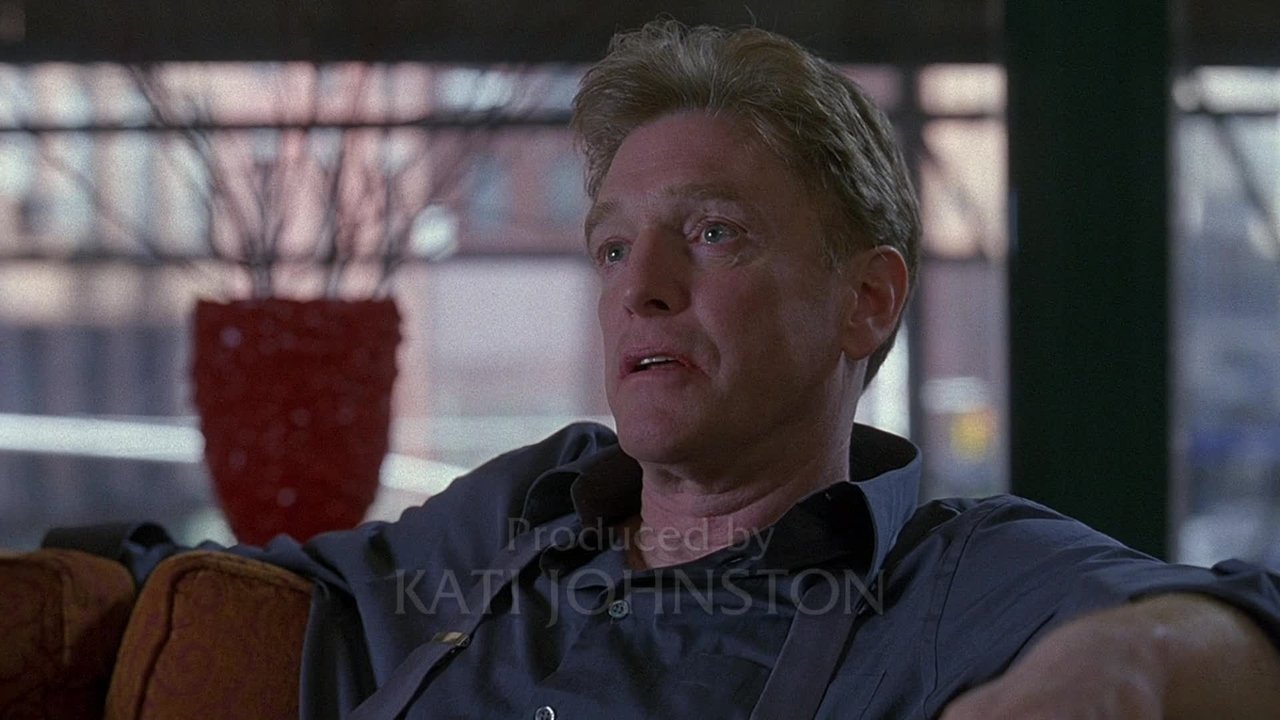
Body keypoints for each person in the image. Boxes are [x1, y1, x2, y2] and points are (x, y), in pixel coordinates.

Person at [48, 19, 1280, 719]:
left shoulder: (949, 576)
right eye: (610, 246)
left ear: (865, 300)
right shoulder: (515, 516)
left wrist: (1115, 666)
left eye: (712, 233)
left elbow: (1241, 627)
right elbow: (208, 583)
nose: (638, 286)